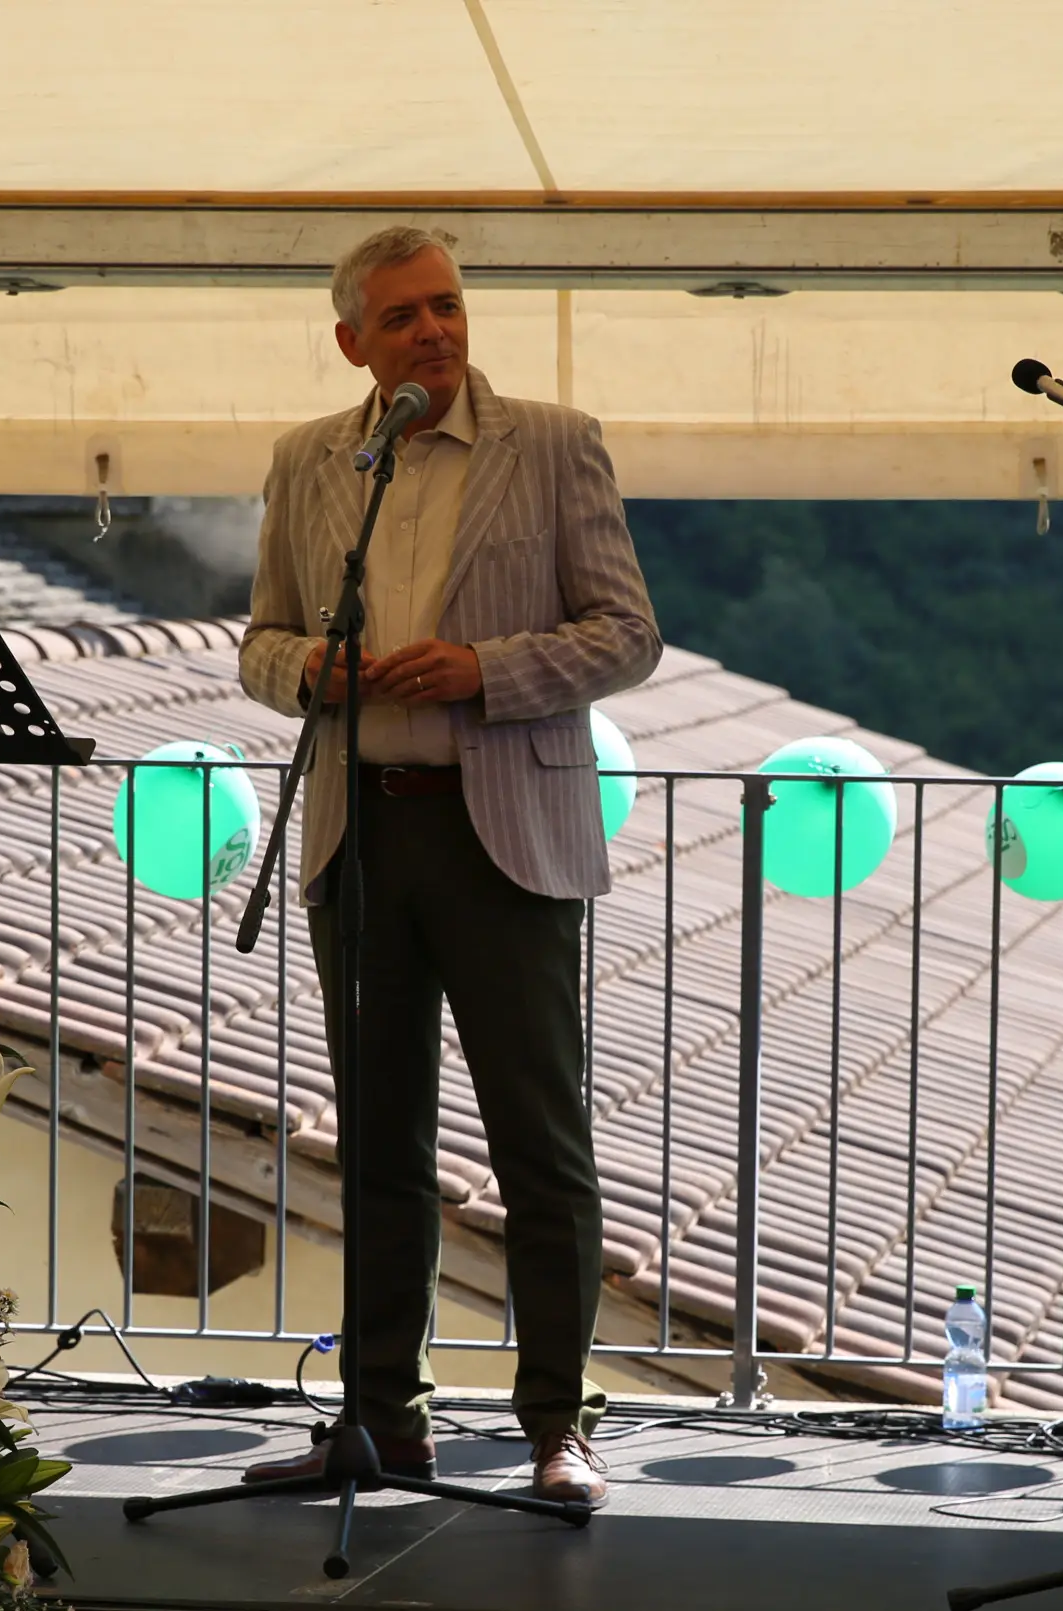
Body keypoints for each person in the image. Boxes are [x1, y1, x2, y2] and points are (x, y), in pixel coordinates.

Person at [237, 224, 660, 1509]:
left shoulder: (555, 442)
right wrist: (311, 668)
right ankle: (382, 1418)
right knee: (376, 1143)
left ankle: (557, 1425)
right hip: (361, 829)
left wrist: (487, 670)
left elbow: (628, 633)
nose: (435, 331)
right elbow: (257, 639)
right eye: (406, 316)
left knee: (540, 1141)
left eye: (449, 308)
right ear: (353, 341)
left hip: (504, 833)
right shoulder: (313, 459)